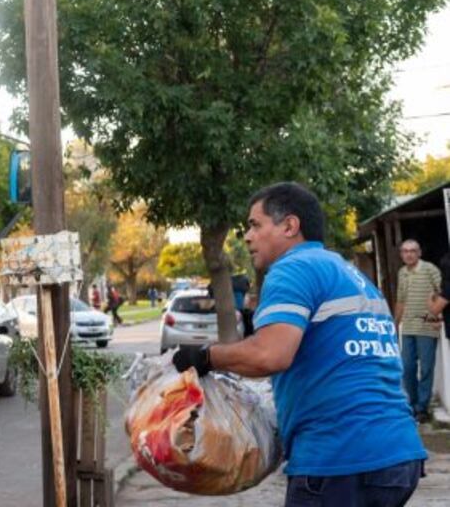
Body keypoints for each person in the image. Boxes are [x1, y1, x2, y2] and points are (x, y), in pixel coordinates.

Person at [173, 182, 426, 506]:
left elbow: (269, 355)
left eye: (255, 225)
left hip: (340, 458)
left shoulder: (293, 269)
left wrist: (205, 357)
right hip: (397, 455)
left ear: (290, 226)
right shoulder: (350, 274)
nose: (247, 236)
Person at [394, 239, 443, 421]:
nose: (409, 254)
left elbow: (443, 292)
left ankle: (422, 408)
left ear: (419, 252)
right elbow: (400, 300)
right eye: (405, 251)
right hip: (407, 328)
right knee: (407, 368)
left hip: (427, 327)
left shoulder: (430, 269)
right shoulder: (402, 273)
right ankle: (412, 404)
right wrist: (394, 323)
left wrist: (439, 316)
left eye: (413, 251)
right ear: (401, 254)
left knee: (427, 368)